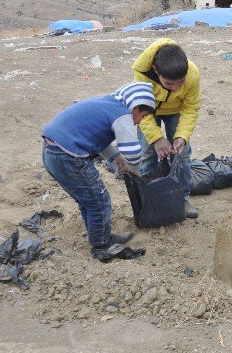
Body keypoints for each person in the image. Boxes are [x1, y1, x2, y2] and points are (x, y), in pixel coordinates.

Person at [42, 82, 156, 257]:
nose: (140, 121)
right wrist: (134, 169)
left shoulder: (106, 105)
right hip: (69, 157)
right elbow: (133, 152)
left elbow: (96, 138)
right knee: (99, 200)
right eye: (143, 115)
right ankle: (101, 246)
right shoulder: (122, 114)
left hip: (52, 151)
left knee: (87, 200)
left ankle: (100, 237)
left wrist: (116, 159)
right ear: (135, 107)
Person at [132, 38, 201, 218]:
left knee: (182, 153)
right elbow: (140, 110)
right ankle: (149, 199)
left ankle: (182, 199)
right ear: (156, 70)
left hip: (176, 111)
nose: (177, 88)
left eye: (181, 83)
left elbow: (191, 108)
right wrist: (156, 138)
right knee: (148, 153)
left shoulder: (193, 74)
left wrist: (182, 136)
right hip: (148, 111)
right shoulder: (142, 75)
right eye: (170, 84)